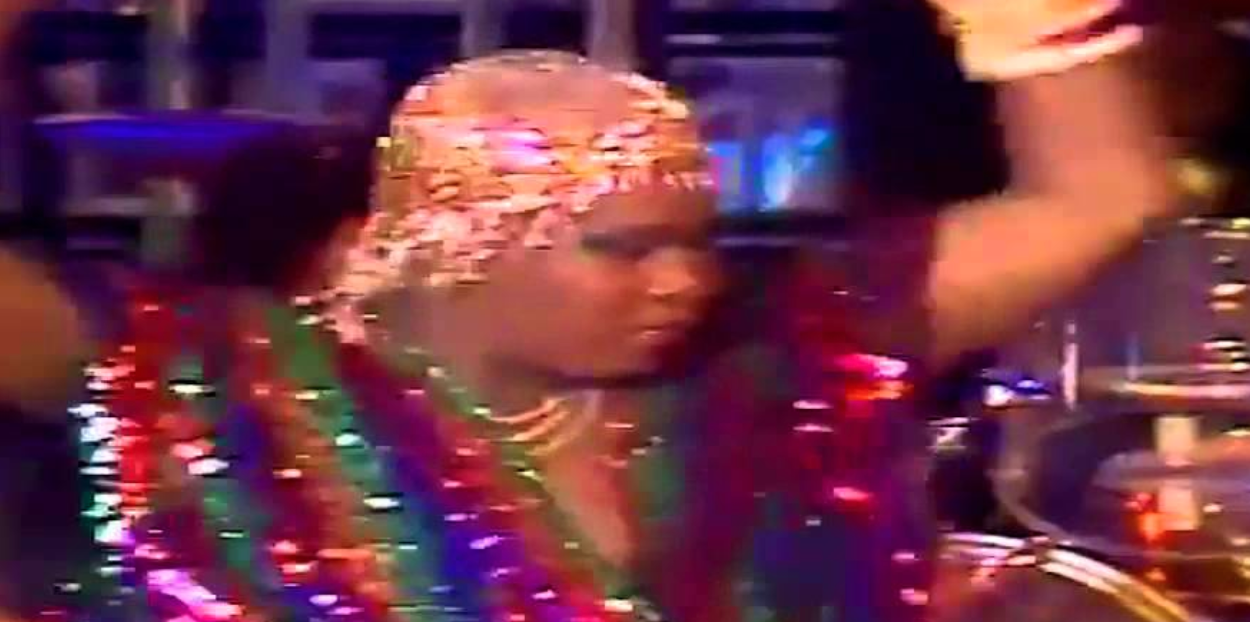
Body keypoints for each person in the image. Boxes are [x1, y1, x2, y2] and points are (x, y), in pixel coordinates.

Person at [0, 1, 1191, 622]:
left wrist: (1017, 13)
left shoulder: (779, 348)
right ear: (448, 247)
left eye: (696, 241)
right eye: (624, 251)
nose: (685, 282)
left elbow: (1103, 194)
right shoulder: (208, 385)